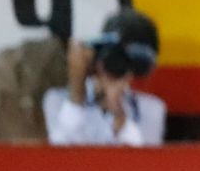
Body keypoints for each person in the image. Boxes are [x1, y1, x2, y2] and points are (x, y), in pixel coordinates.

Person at [42, 9, 164, 147]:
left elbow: (146, 161)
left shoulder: (149, 108)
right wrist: (77, 91)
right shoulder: (57, 99)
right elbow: (60, 155)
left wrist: (117, 111)